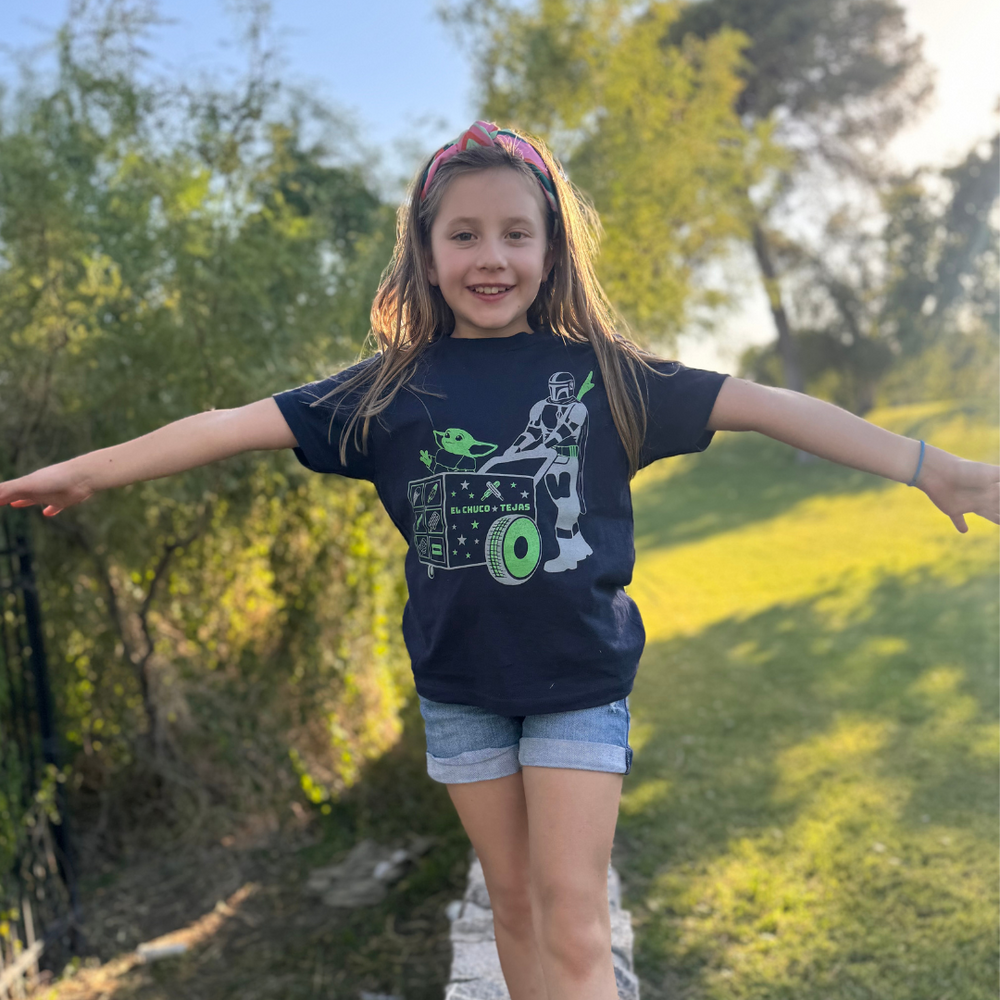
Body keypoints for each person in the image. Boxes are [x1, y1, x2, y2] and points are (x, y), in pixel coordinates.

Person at [1, 120, 997, 1000]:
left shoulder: (607, 377)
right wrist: (86, 472)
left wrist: (931, 467)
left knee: (574, 920)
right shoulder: (385, 391)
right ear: (426, 251)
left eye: (516, 234)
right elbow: (226, 426)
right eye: (465, 234)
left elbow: (769, 406)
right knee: (513, 908)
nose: (492, 257)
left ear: (551, 249)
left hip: (577, 684)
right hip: (460, 691)